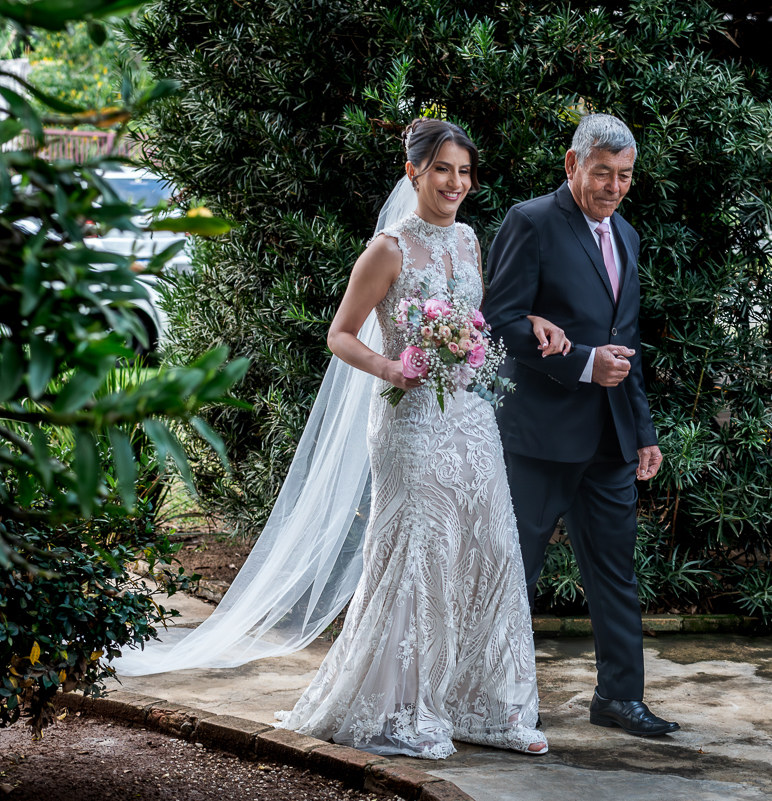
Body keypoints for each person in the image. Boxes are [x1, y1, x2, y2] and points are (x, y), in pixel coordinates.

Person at [116, 118, 560, 759]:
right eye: (442, 169)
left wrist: (523, 322)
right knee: (418, 556)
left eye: (464, 171)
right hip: (411, 423)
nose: (455, 183)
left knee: (487, 550)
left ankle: (486, 706)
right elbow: (341, 334)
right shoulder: (388, 250)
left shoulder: (468, 240)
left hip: (470, 419)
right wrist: (392, 368)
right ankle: (405, 710)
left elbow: (474, 321)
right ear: (413, 173)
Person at [483, 113, 680, 737]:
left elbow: (628, 342)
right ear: (573, 165)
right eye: (602, 173)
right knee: (516, 574)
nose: (614, 187)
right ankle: (502, 701)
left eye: (625, 176)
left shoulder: (628, 235)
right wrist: (582, 363)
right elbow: (498, 321)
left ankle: (619, 699)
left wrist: (643, 431)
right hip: (539, 437)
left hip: (611, 438)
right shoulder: (531, 221)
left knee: (616, 574)